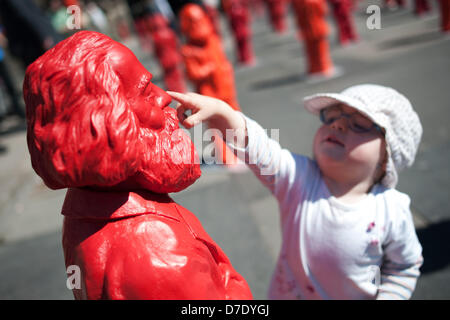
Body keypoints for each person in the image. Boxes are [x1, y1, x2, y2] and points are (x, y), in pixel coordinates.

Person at [23, 30, 252, 300]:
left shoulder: (83, 206)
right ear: (107, 126)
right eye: (145, 91)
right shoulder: (158, 251)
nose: (163, 96)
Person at [168, 83, 424, 299]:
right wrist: (225, 115)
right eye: (332, 117)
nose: (338, 125)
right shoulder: (299, 179)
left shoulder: (392, 210)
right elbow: (261, 150)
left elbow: (403, 267)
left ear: (385, 158)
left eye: (358, 124)